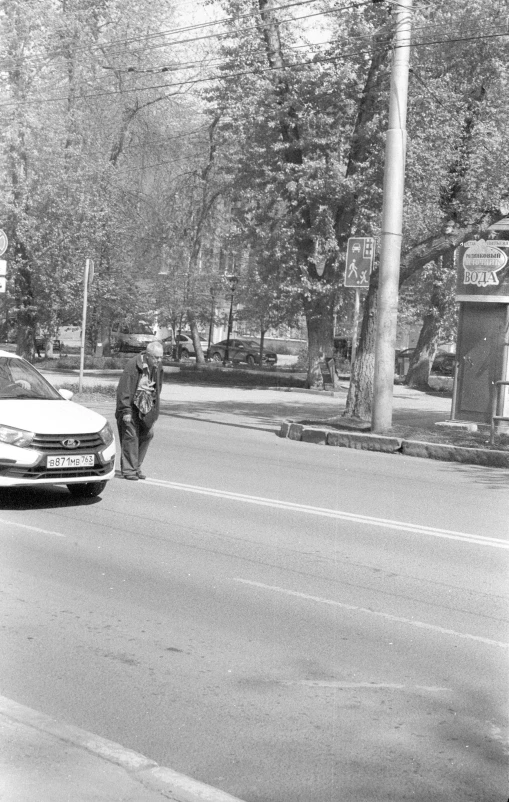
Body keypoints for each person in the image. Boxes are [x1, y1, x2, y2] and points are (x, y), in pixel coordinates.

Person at [115, 341, 164, 480]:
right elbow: (124, 389)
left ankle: (136, 467)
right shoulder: (133, 365)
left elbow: (158, 388)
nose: (159, 360)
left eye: (161, 357)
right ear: (148, 355)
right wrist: (125, 411)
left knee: (148, 434)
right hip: (130, 406)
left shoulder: (157, 366)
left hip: (146, 406)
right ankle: (130, 470)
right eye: (156, 357)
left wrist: (153, 408)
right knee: (131, 437)